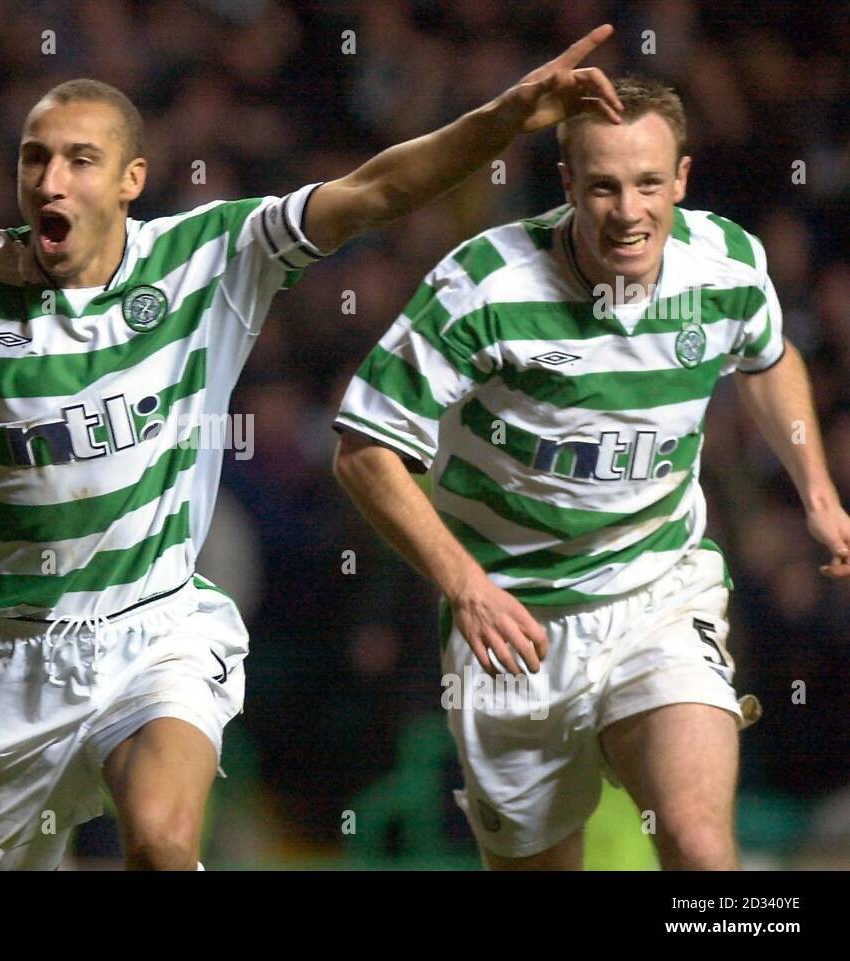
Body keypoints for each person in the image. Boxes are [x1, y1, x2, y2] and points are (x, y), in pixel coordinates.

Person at [0, 29, 623, 870]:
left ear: (130, 180)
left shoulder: (208, 258)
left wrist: (497, 121)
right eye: (35, 157)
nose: (50, 175)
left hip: (155, 626)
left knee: (167, 844)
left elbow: (372, 191)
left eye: (79, 157)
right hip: (10, 660)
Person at [332, 75, 850, 870]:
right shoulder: (482, 287)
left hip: (659, 594)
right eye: (603, 186)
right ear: (567, 183)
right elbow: (364, 448)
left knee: (701, 846)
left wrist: (817, 491)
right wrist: (466, 585)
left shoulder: (727, 264)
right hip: (515, 628)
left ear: (681, 177)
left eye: (650, 183)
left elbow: (766, 357)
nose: (629, 211)